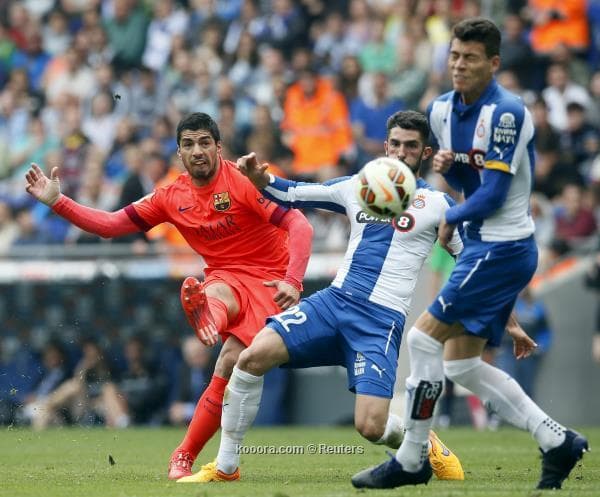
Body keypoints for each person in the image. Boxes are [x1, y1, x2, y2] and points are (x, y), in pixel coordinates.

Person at [351, 18, 588, 491]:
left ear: (493, 63)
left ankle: (414, 459)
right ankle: (557, 440)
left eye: (470, 58)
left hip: (503, 246)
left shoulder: (507, 113)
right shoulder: (440, 110)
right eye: (455, 55)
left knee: (421, 342)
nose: (458, 65)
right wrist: (450, 172)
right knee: (459, 365)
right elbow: (468, 184)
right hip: (481, 246)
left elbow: (496, 194)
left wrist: (453, 216)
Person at [177, 110, 468, 483]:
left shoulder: (439, 205)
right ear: (385, 147)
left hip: (379, 323)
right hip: (334, 304)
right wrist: (260, 178)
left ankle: (425, 444)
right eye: (394, 144)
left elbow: (472, 259)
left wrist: (499, 317)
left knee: (370, 426)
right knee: (249, 358)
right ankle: (225, 468)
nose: (400, 153)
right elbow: (293, 193)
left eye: (410, 147)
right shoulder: (358, 187)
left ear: (425, 153)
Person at [24, 112, 313, 478]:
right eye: (189, 144)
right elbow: (113, 225)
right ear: (178, 152)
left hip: (272, 281)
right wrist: (58, 202)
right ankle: (208, 318)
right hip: (224, 278)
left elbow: (298, 223)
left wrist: (294, 280)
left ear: (218, 148)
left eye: (204, 142)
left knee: (227, 363)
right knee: (216, 298)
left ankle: (186, 450)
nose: (197, 151)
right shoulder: (170, 196)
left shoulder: (241, 180)